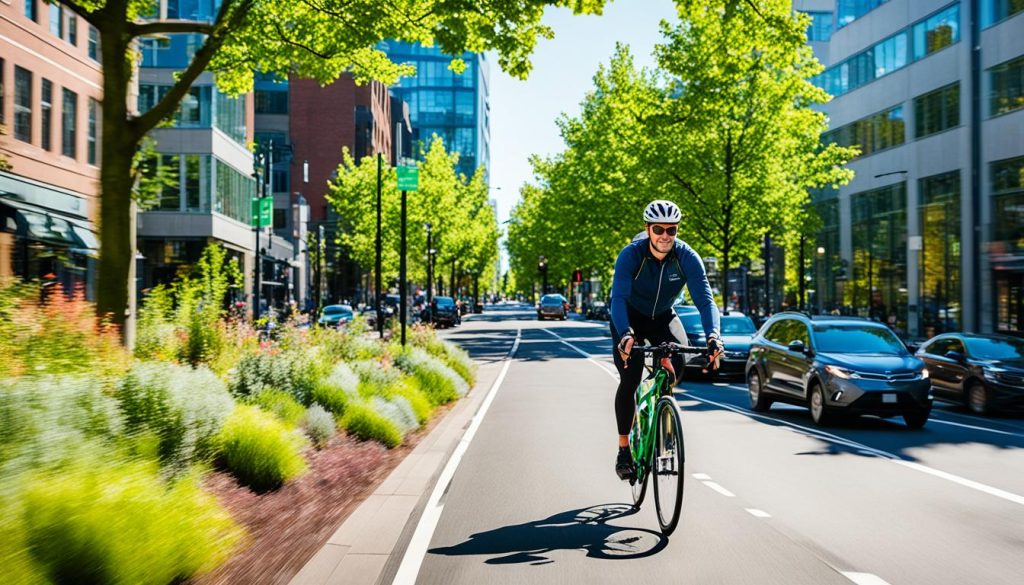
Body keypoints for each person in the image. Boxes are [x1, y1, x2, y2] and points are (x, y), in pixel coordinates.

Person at [610, 200, 723, 480]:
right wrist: (625, 333)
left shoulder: (687, 257)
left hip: (662, 316)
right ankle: (624, 448)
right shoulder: (631, 255)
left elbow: (706, 301)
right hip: (630, 318)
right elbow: (618, 299)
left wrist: (713, 336)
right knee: (630, 378)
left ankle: (664, 417)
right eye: (658, 229)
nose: (664, 235)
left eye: (671, 230)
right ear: (648, 229)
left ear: (676, 230)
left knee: (679, 365)